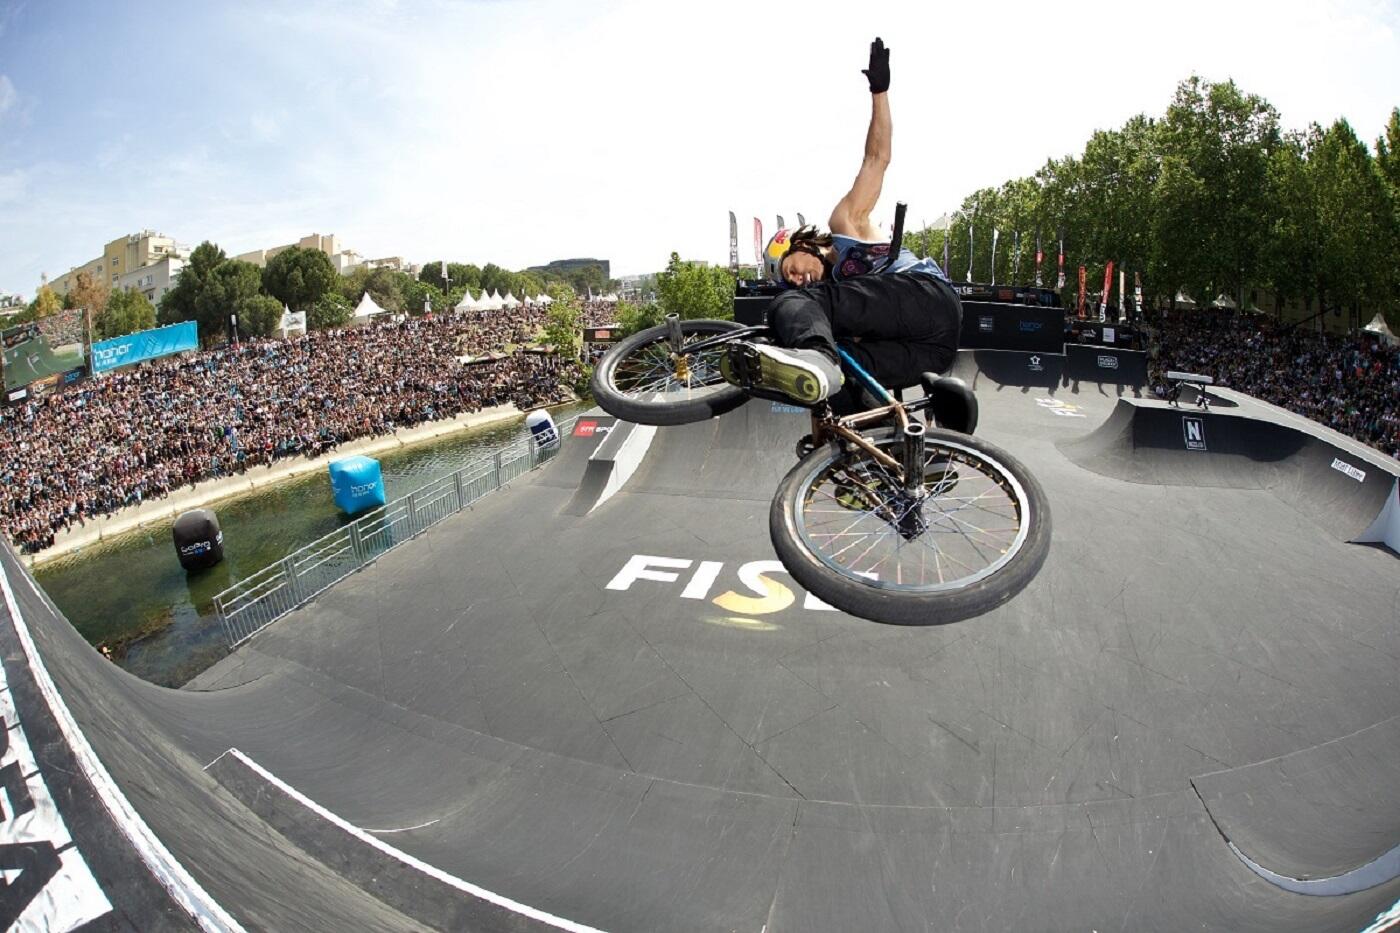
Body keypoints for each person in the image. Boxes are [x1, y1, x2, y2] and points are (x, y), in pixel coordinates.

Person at [721, 37, 962, 413]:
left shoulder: (846, 226)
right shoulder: (837, 302)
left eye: (793, 270)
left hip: (927, 300)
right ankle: (901, 457)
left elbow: (876, 159)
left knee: (792, 308)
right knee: (841, 375)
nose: (799, 280)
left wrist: (879, 91)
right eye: (791, 280)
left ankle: (817, 356)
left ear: (798, 245)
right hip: (933, 351)